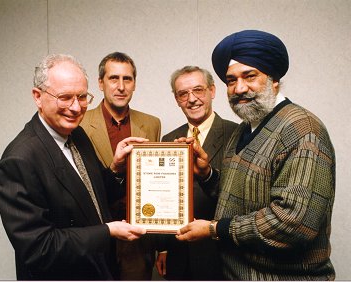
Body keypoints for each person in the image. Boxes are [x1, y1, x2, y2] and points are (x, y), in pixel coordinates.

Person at [175, 30, 336, 280]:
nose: (239, 88)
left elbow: (292, 223)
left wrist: (214, 229)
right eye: (231, 80)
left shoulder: (302, 129)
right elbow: (238, 198)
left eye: (250, 76)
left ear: (274, 79)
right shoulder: (244, 129)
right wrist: (206, 174)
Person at [0, 53, 148, 280]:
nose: (76, 108)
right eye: (65, 97)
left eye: (82, 97)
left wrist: (115, 167)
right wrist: (108, 232)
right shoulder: (19, 161)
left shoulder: (76, 134)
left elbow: (93, 196)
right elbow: (40, 249)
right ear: (38, 96)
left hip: (99, 270)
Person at [81, 51, 161, 280]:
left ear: (134, 84)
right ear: (100, 83)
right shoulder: (80, 124)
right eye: (113, 78)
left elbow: (155, 185)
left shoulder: (151, 124)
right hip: (96, 233)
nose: (121, 86)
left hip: (137, 238)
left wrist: (161, 244)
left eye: (127, 79)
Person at [155, 66, 237, 280]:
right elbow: (165, 198)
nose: (192, 99)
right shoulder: (168, 140)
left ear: (212, 91)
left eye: (198, 90)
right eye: (183, 94)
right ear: (177, 99)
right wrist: (163, 247)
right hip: (179, 252)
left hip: (220, 253)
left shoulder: (237, 135)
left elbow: (239, 197)